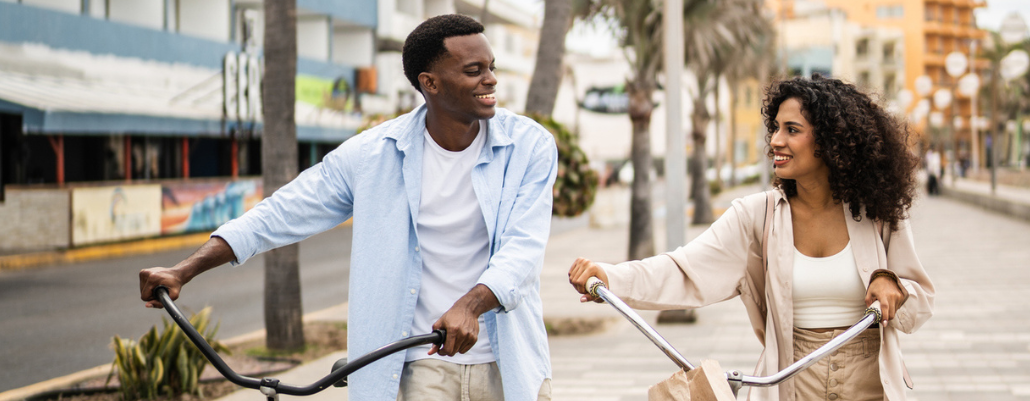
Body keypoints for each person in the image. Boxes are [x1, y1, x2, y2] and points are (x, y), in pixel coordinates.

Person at [139, 14, 556, 401]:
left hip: (509, 362)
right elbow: (283, 212)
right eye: (474, 70)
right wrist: (184, 270)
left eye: (491, 67)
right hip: (418, 366)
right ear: (430, 82)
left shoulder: (529, 147)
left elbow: (523, 248)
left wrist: (470, 305)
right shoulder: (374, 153)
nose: (491, 80)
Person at [568, 74, 935, 401]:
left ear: (831, 140)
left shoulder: (878, 212)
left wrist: (893, 287)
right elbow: (684, 270)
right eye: (775, 128)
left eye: (792, 129)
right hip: (789, 383)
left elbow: (920, 300)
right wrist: (611, 277)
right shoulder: (756, 216)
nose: (775, 140)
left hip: (872, 385)